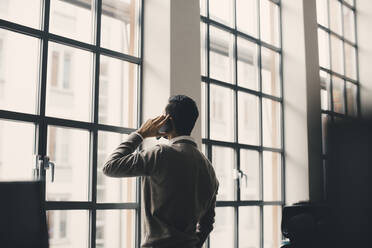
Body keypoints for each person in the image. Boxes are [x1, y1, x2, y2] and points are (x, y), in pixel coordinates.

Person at [103, 95, 219, 248]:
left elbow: (110, 166)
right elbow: (207, 224)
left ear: (168, 121)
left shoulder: (160, 154)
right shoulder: (209, 168)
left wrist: (141, 133)